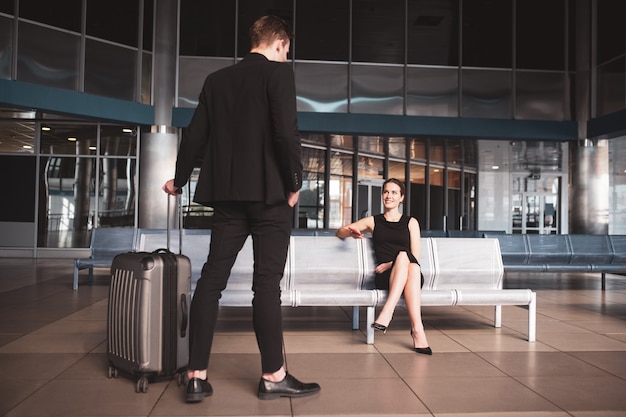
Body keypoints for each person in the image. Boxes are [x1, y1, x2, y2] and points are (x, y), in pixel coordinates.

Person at [163, 15, 320, 402]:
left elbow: (195, 134)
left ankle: (196, 375)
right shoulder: (279, 76)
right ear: (280, 43)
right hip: (270, 198)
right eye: (287, 50)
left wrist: (179, 180)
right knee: (266, 285)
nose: (287, 56)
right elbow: (286, 131)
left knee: (212, 279)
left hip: (228, 198)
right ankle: (273, 376)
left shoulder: (216, 82)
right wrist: (295, 183)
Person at [335, 178, 432, 355]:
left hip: (405, 272)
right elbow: (340, 232)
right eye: (386, 192)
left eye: (394, 192)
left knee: (409, 262)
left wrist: (390, 264)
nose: (389, 196)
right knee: (409, 264)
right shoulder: (373, 221)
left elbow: (414, 256)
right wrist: (351, 233)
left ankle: (388, 312)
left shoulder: (411, 222)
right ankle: (417, 330)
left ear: (401, 197)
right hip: (386, 278)